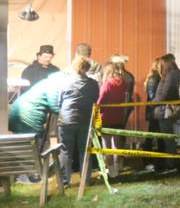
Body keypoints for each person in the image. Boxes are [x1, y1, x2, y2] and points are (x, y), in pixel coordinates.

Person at [9, 70, 70, 183]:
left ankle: (22, 175)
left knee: (21, 146)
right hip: (28, 116)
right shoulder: (54, 85)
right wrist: (66, 111)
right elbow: (54, 105)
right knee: (33, 145)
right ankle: (30, 177)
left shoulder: (46, 82)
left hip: (17, 113)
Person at [57, 56, 99, 187]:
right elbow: (95, 99)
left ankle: (65, 181)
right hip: (85, 120)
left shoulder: (65, 82)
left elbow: (59, 102)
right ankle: (85, 180)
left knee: (65, 151)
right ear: (87, 68)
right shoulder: (93, 84)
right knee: (84, 150)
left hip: (66, 120)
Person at [152, 54, 180, 173]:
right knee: (170, 137)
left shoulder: (169, 76)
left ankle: (171, 165)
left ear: (165, 64)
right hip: (170, 108)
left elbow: (163, 95)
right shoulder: (175, 75)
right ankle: (172, 161)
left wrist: (152, 103)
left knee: (168, 138)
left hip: (165, 110)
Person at [97, 62, 128, 178]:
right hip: (119, 116)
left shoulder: (107, 84)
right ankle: (118, 166)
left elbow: (100, 101)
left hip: (107, 118)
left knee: (107, 145)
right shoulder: (122, 82)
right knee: (117, 144)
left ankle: (111, 171)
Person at [142, 59, 161, 155]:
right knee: (154, 130)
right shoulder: (154, 79)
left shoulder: (156, 78)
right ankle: (148, 152)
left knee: (153, 130)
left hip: (154, 108)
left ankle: (148, 151)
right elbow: (152, 95)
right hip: (154, 109)